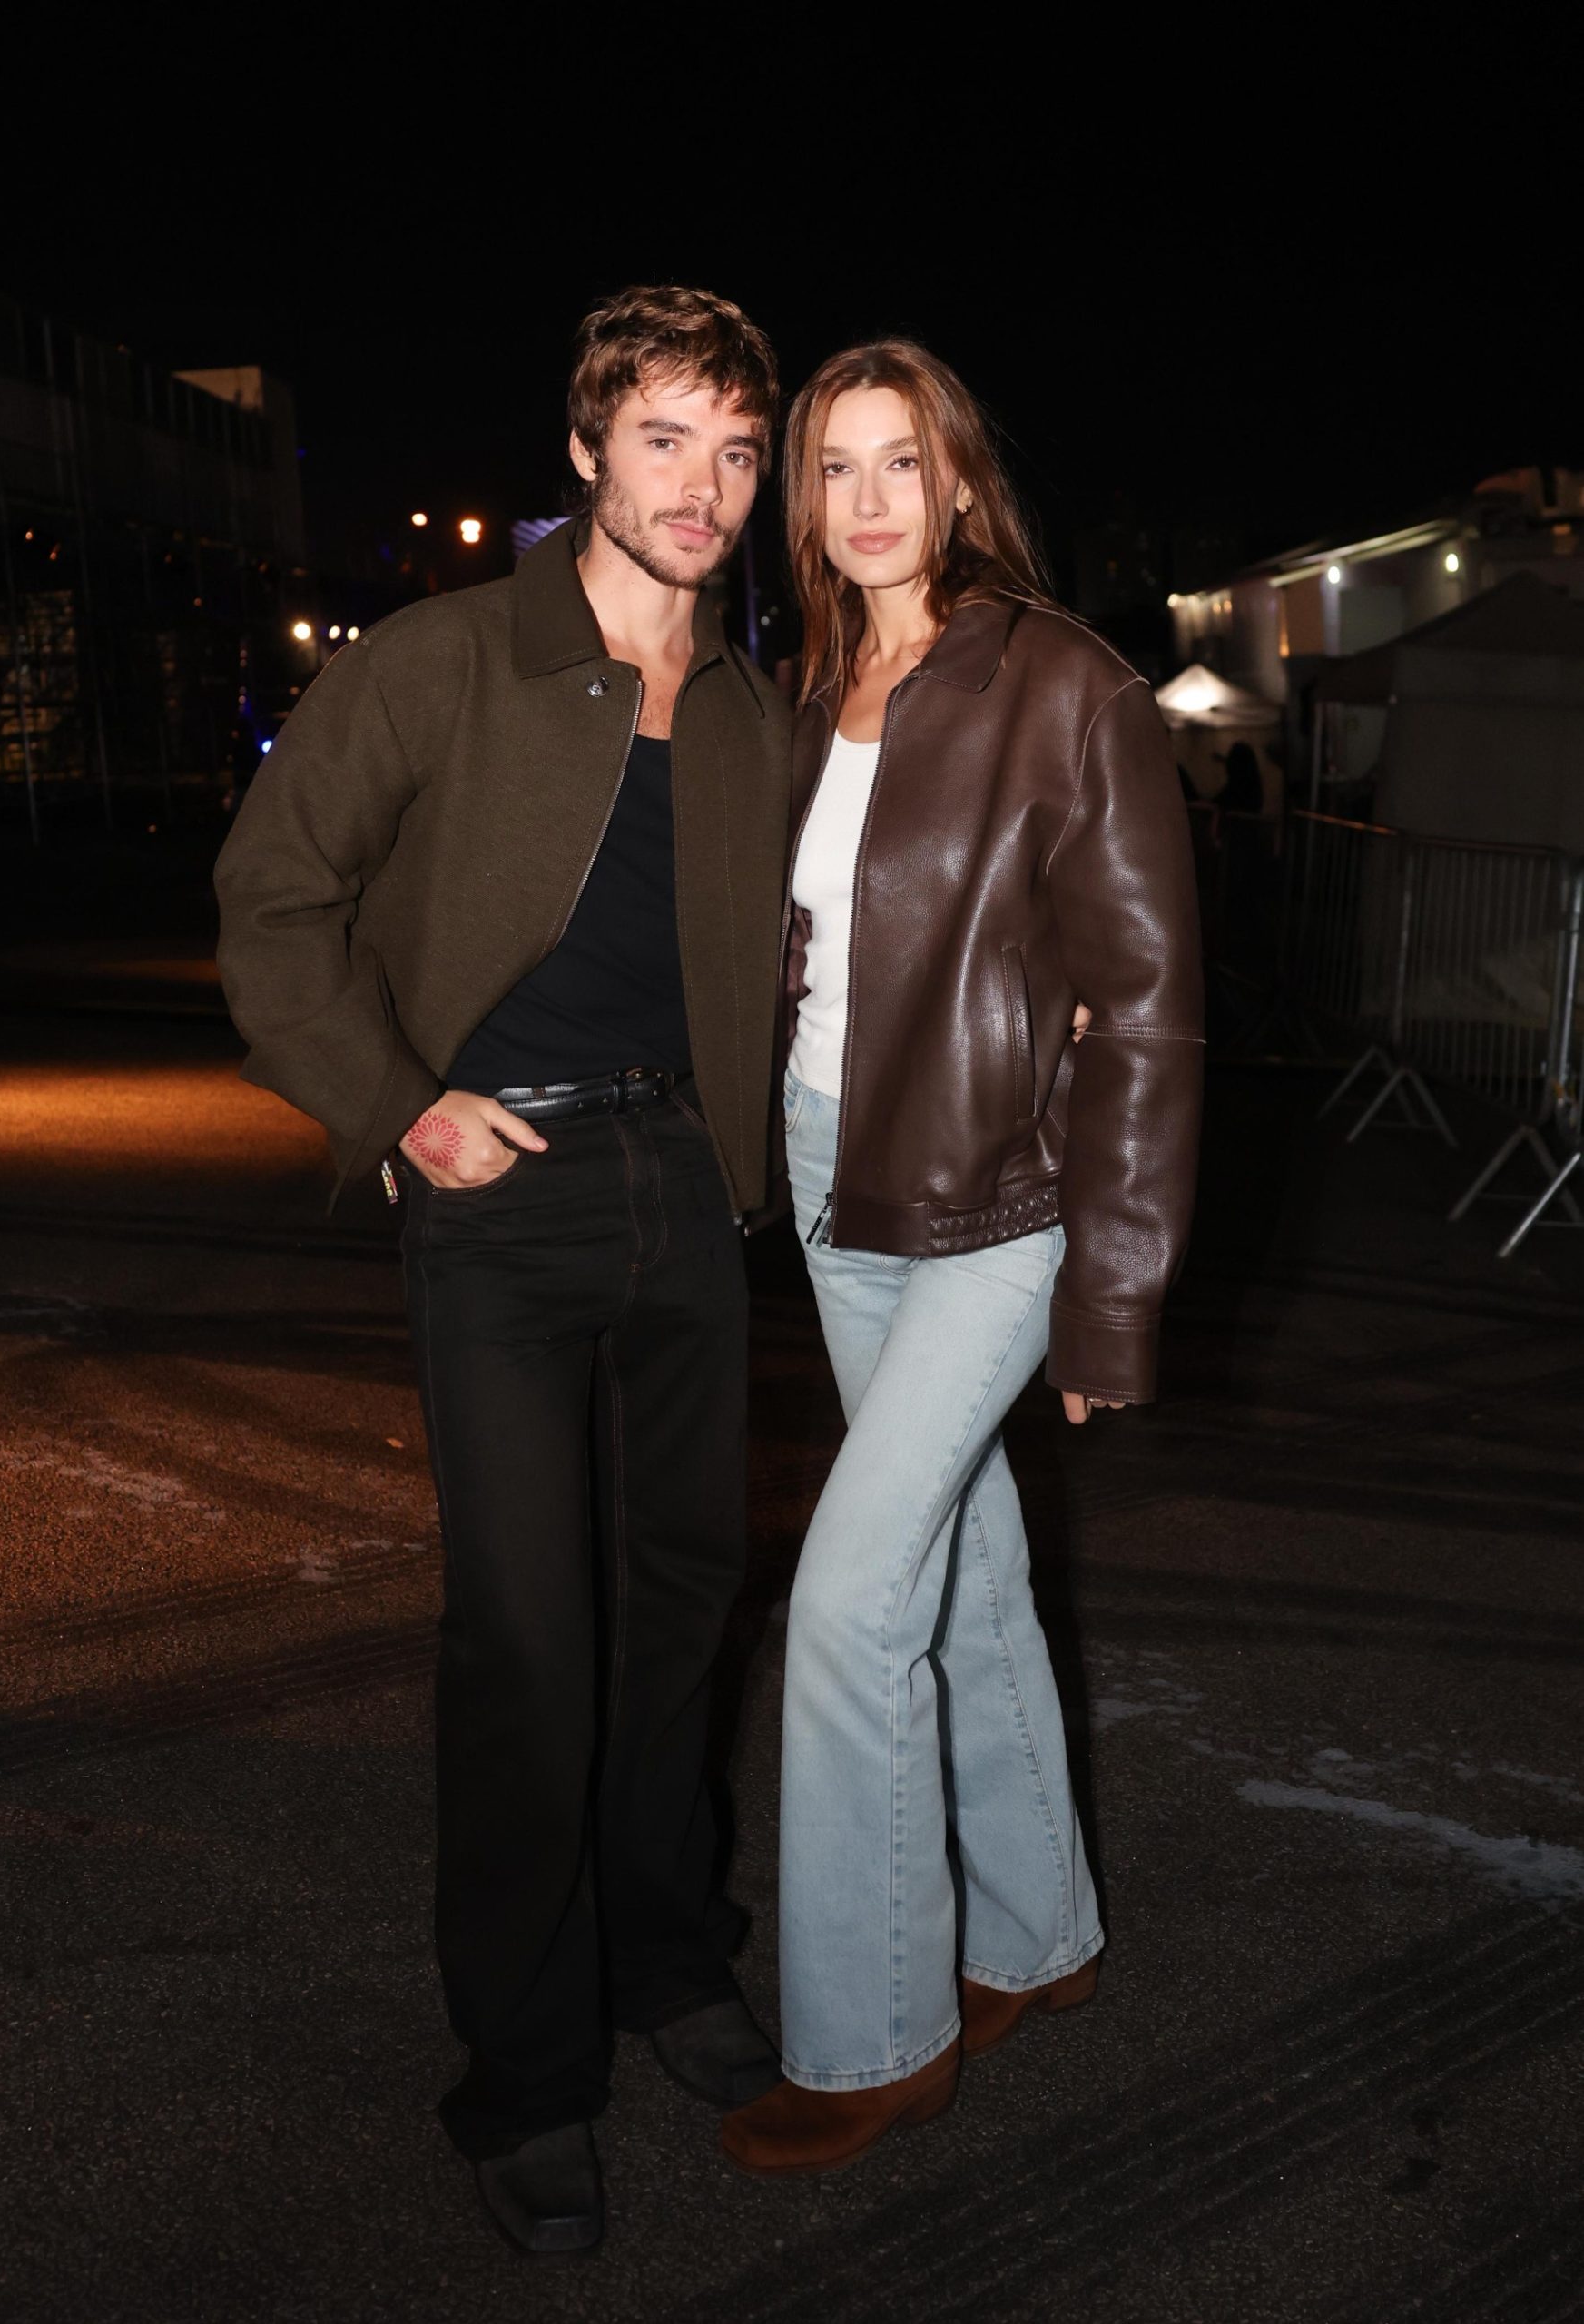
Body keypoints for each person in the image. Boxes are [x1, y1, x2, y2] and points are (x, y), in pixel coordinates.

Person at [214, 287, 793, 2257]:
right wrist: (399, 1105)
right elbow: (270, 899)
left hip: (683, 1185)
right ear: (584, 449)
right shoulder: (441, 659)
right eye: (666, 442)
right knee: (531, 1643)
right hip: (505, 1186)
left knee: (684, 1602)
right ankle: (528, 2066)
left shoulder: (744, 710)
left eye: (736, 450)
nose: (705, 488)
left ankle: (664, 1948)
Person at [720, 341, 1204, 2177]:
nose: (861, 501)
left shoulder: (1065, 684)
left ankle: (875, 2028)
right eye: (830, 468)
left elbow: (1150, 1008)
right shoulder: (809, 683)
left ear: (958, 480)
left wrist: (1117, 1294)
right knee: (967, 1553)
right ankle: (1039, 1930)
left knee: (849, 1599)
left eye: (896, 464)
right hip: (842, 1179)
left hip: (1005, 1196)